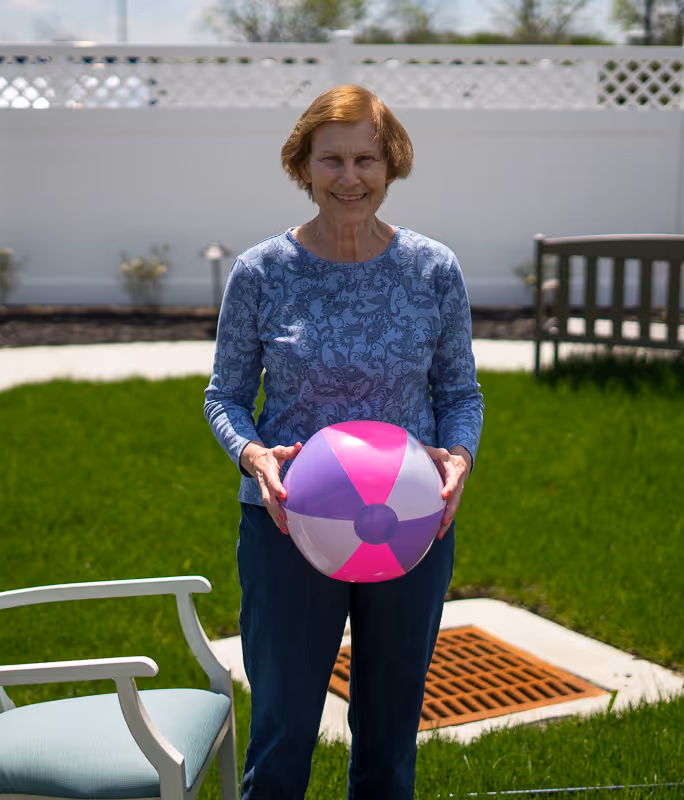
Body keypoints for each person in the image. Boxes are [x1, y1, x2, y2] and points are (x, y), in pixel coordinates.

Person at [203, 84, 484, 799]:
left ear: (391, 165)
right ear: (304, 165)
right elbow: (226, 396)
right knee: (283, 732)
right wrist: (252, 453)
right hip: (288, 524)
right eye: (331, 160)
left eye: (366, 158)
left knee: (389, 735)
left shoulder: (433, 271)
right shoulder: (262, 273)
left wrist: (459, 456)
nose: (350, 177)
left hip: (411, 526)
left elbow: (459, 395)